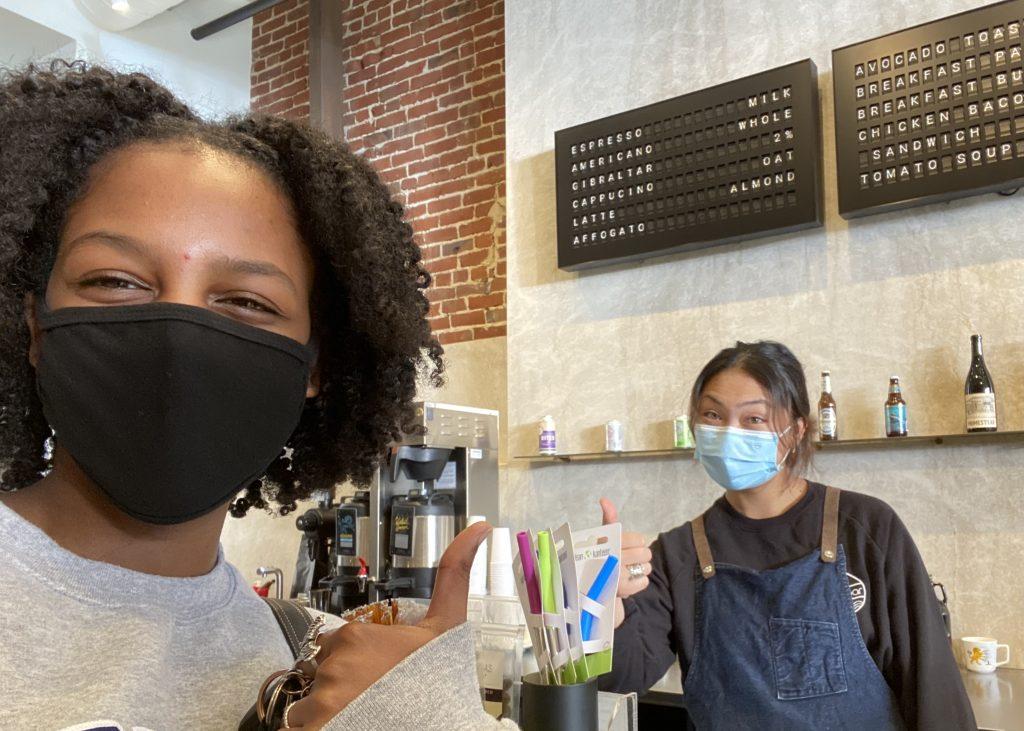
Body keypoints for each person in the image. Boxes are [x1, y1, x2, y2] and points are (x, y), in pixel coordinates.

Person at [0, 62, 511, 730]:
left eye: (245, 300)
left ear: (314, 367)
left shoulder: (317, 660)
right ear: (34, 325)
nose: (180, 337)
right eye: (116, 280)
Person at [600, 341, 976, 730]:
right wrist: (604, 614)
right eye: (712, 414)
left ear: (796, 431)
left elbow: (932, 684)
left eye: (754, 419)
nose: (729, 433)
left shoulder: (866, 527)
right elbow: (622, 678)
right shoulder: (677, 554)